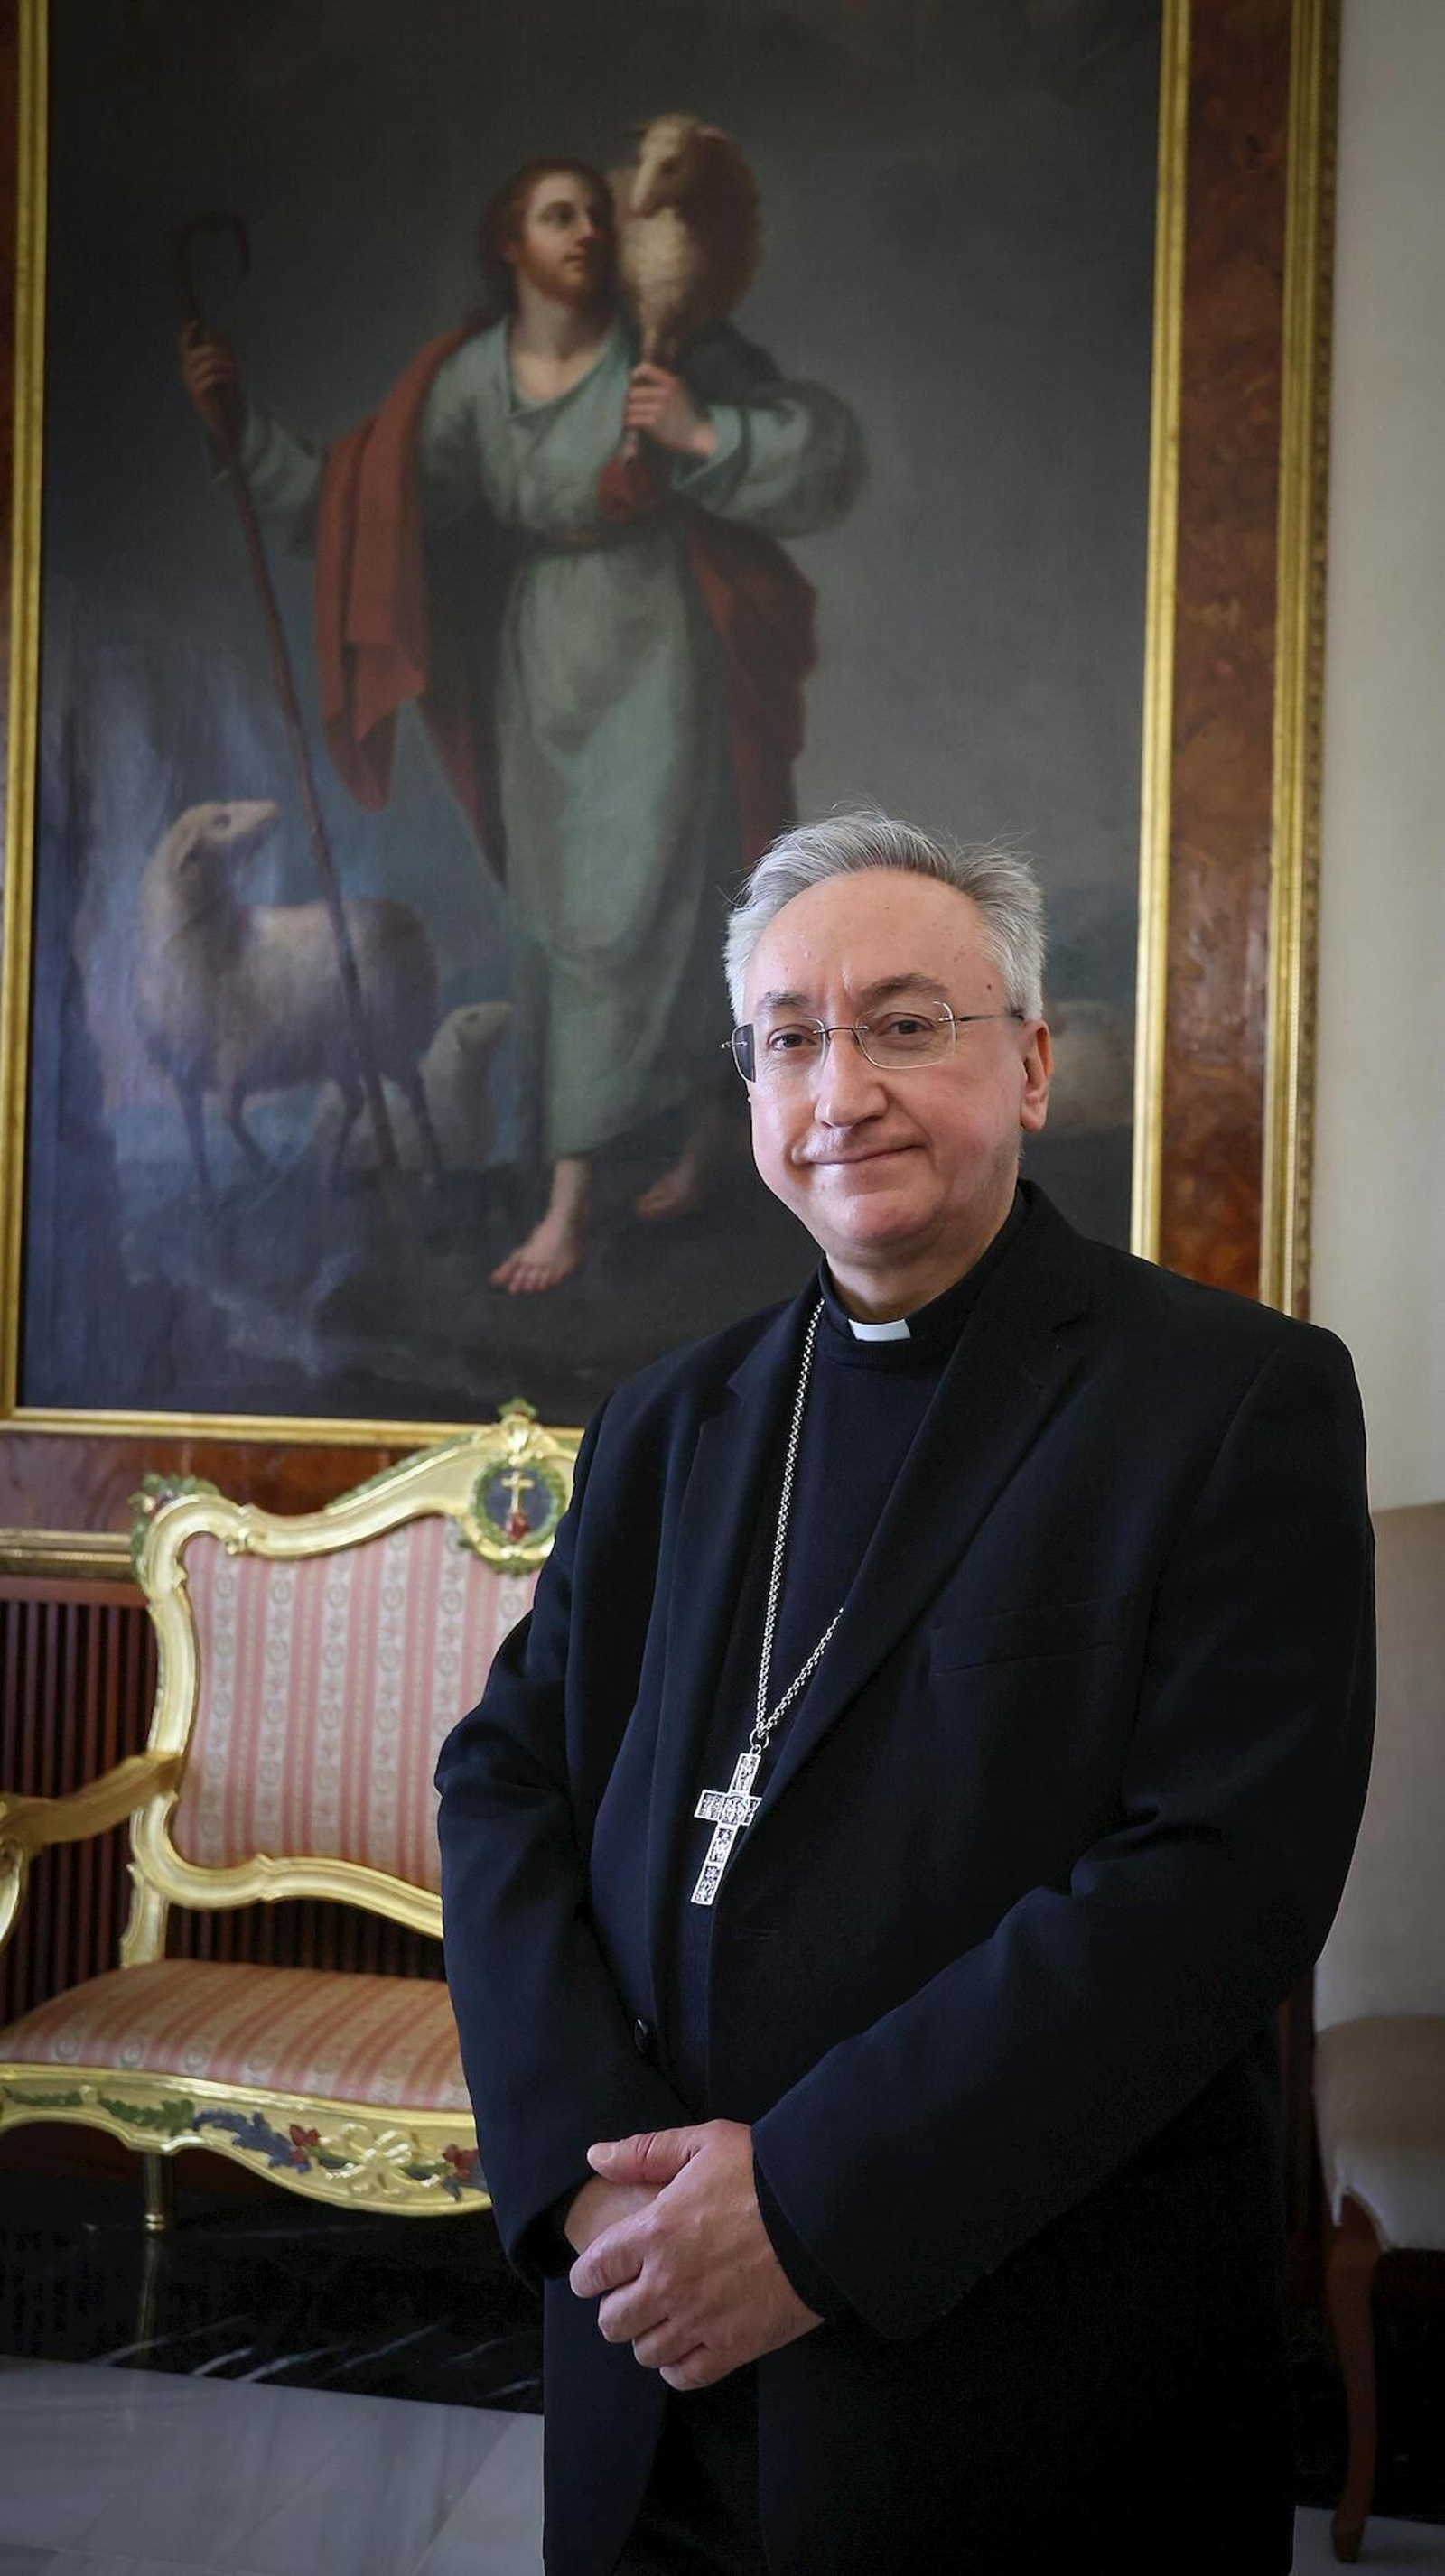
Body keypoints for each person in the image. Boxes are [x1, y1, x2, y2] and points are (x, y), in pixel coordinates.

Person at [434, 811, 1375, 2574]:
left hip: (1007, 2354)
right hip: (646, 2331)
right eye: (787, 1034)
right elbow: (503, 1779)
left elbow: (1211, 1886)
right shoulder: (672, 1418)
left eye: (902, 1021)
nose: (836, 1083)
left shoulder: (1225, 1401)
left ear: (1024, 1061)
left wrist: (797, 2206)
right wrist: (581, 2174)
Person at [181, 159, 862, 1293]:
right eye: (561, 215)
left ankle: (602, 1187)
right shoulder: (467, 385)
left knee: (662, 900)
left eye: (599, 211)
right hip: (542, 665)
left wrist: (701, 433)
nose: (588, 229)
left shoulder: (670, 344)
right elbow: (363, 506)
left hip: (660, 647)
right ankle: (641, 1161)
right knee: (562, 921)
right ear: (510, 243)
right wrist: (239, 426)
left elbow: (825, 456)